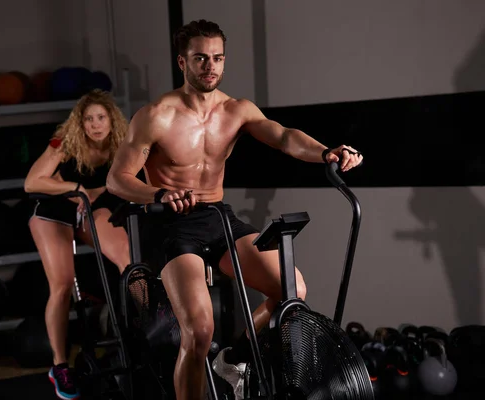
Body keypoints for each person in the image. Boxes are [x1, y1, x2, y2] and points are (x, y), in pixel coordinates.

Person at [106, 19, 364, 400]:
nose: (210, 66)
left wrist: (326, 152)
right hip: (170, 223)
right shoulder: (157, 115)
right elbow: (118, 178)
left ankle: (234, 358)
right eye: (200, 58)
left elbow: (284, 137)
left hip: (216, 216)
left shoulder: (236, 110)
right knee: (197, 333)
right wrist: (157, 194)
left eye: (217, 58)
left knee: (292, 292)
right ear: (182, 62)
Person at [24, 89, 131, 400]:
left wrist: (94, 194)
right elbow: (32, 182)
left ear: (112, 120)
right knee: (61, 284)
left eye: (101, 118)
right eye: (89, 119)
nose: (95, 125)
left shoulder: (120, 145)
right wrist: (76, 186)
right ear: (80, 123)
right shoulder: (65, 141)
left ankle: (141, 336)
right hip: (52, 212)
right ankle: (59, 365)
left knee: (127, 257)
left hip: (87, 208)